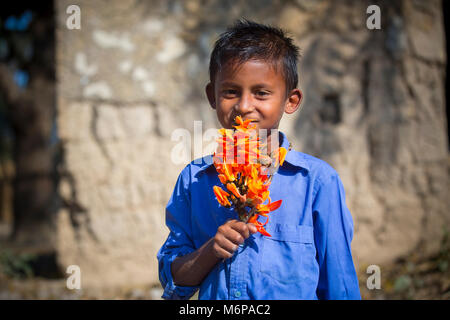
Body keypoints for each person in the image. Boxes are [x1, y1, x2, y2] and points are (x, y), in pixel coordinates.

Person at [157, 19, 361, 300]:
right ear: (211, 96)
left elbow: (339, 284)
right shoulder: (194, 180)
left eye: (261, 93)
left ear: (291, 101)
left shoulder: (317, 182)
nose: (243, 106)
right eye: (230, 91)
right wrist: (210, 251)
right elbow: (173, 281)